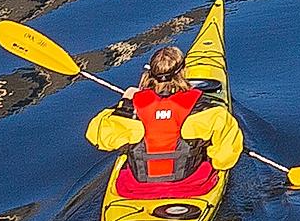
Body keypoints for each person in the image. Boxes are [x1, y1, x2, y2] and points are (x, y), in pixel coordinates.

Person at [88, 38, 244, 198]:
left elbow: (97, 137)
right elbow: (224, 159)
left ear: (150, 74)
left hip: (136, 189)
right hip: (193, 186)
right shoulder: (205, 112)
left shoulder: (132, 111)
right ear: (183, 72)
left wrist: (124, 102)